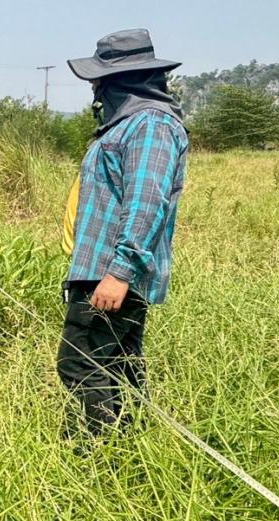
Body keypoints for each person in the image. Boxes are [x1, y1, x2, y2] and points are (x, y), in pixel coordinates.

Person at [59, 29, 189, 435]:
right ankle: (129, 453)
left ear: (120, 79)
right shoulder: (126, 124)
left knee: (80, 365)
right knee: (119, 368)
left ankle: (97, 460)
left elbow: (146, 202)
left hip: (112, 274)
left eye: (99, 78)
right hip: (100, 270)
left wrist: (119, 272)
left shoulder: (150, 125)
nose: (94, 88)